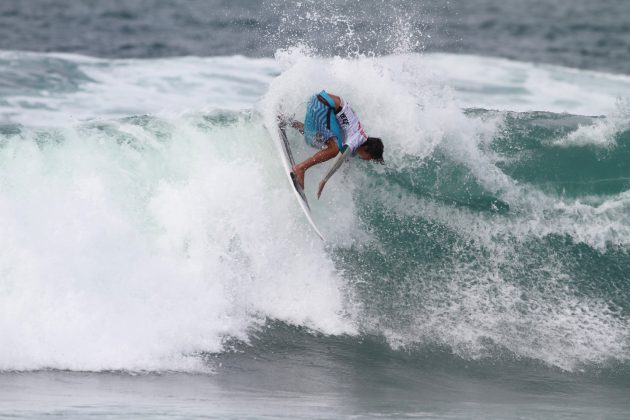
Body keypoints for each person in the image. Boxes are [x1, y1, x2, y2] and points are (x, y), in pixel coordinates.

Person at [286, 90, 384, 199]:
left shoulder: (358, 136)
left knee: (320, 139)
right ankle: (301, 168)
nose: (367, 160)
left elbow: (345, 159)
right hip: (323, 105)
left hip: (317, 102)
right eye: (369, 157)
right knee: (334, 149)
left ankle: (286, 121)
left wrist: (345, 181)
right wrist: (324, 180)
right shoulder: (357, 139)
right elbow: (341, 156)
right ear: (366, 148)